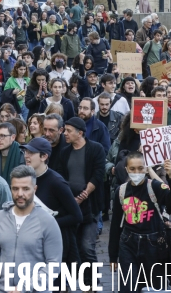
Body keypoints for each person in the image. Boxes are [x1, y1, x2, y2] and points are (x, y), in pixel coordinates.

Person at [109, 151, 171, 293]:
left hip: (154, 245)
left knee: (156, 288)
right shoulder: (121, 191)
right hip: (128, 244)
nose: (137, 172)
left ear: (146, 169)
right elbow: (116, 224)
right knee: (128, 287)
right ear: (126, 170)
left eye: (140, 168)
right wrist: (113, 255)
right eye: (132, 169)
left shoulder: (154, 187)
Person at [0, 165, 62, 293]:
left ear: (35, 189)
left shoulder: (48, 222)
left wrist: (25, 287)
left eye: (25, 189)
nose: (20, 194)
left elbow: (54, 265)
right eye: (15, 189)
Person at [57, 117, 105, 289]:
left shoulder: (95, 149)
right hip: (70, 208)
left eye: (69, 131)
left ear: (80, 133)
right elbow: (61, 177)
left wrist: (83, 195)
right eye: (65, 130)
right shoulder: (64, 152)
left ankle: (91, 284)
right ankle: (68, 284)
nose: (65, 134)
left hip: (90, 207)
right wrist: (71, 200)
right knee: (70, 248)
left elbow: (99, 174)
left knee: (86, 247)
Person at [23, 138, 82, 263]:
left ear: (44, 156)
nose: (26, 156)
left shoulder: (56, 182)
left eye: (31, 153)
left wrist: (48, 224)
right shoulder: (25, 178)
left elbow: (77, 216)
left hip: (55, 244)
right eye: (25, 152)